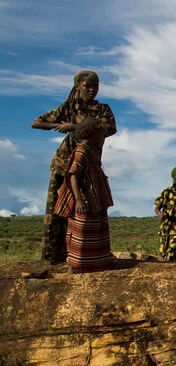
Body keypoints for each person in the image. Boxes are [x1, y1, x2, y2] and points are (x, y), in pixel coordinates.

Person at [31, 70, 116, 263]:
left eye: (96, 85)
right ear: (78, 86)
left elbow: (108, 128)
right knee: (57, 210)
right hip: (64, 163)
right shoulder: (69, 108)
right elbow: (36, 123)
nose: (92, 89)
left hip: (89, 164)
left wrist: (74, 128)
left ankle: (83, 255)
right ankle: (54, 256)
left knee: (88, 209)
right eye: (88, 86)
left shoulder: (103, 109)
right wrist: (61, 124)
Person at [52, 118, 114, 274]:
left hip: (94, 201)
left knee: (94, 234)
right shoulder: (81, 151)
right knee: (81, 235)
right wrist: (78, 200)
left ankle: (95, 265)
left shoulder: (89, 151)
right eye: (101, 134)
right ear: (92, 133)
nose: (103, 138)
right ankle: (75, 267)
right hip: (85, 201)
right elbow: (73, 174)